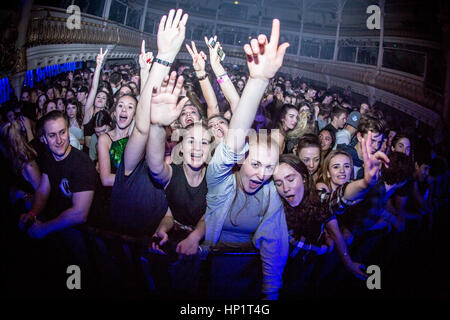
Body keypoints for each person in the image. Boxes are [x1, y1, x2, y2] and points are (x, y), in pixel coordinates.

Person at [204, 19, 290, 300]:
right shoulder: (220, 180)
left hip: (246, 279)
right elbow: (233, 137)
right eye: (255, 164)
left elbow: (275, 246)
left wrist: (271, 294)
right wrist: (258, 80)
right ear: (242, 160)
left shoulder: (270, 195)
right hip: (206, 272)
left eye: (269, 167)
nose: (262, 175)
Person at [273, 139, 387, 296]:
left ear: (304, 178)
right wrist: (324, 248)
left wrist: (365, 183)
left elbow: (336, 199)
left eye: (291, 179)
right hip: (283, 268)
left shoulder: (316, 196)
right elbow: (295, 241)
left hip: (304, 265)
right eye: (278, 183)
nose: (285, 188)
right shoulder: (275, 206)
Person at [18, 111, 97, 275]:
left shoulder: (82, 165)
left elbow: (79, 214)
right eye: (52, 135)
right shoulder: (49, 157)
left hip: (80, 232)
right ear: (44, 139)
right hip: (57, 224)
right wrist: (33, 213)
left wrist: (44, 229)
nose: (59, 140)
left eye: (62, 132)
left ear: (68, 131)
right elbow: (43, 191)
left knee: (77, 279)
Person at [97, 94, 137, 187]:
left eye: (130, 107)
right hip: (113, 196)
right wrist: (138, 182)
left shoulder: (138, 141)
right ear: (115, 113)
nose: (124, 109)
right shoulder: (104, 139)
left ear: (134, 115)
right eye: (120, 105)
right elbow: (106, 179)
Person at [337, 113, 386, 179]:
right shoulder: (343, 157)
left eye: (379, 142)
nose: (376, 147)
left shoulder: (373, 163)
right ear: (359, 136)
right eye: (372, 141)